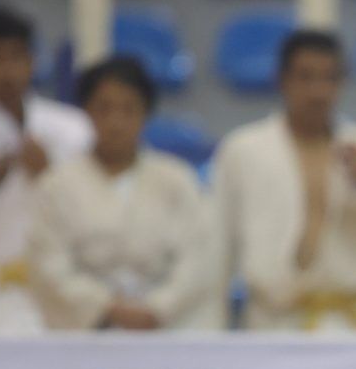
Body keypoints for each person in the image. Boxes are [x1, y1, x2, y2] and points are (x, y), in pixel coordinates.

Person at [213, 29, 356, 331]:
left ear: (342, 83)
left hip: (347, 323)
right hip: (271, 323)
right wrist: (216, 332)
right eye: (305, 77)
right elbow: (217, 249)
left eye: (329, 78)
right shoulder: (243, 150)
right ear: (282, 80)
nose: (318, 91)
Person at [30, 55, 224, 332]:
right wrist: (105, 306)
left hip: (163, 329)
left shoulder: (177, 180)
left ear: (145, 113)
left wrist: (159, 307)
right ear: (86, 111)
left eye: (128, 109)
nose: (116, 122)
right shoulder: (56, 185)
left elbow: (198, 260)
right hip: (85, 333)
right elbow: (49, 265)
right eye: (104, 108)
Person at [0, 5, 93, 334]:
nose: (6, 71)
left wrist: (49, 174)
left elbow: (90, 198)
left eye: (16, 57)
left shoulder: (70, 127)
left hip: (53, 285)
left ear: (32, 61)